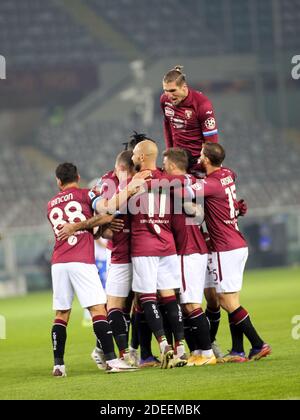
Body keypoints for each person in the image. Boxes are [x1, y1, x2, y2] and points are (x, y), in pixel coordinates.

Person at [47, 162, 137, 375]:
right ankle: (113, 360)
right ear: (77, 176)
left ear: (58, 181)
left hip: (58, 261)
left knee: (61, 313)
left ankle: (58, 365)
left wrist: (95, 233)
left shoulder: (50, 204)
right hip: (81, 260)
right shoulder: (87, 194)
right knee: (98, 310)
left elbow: (79, 227)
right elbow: (105, 213)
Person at [188, 143, 272, 362]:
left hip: (224, 247)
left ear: (206, 159)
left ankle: (258, 343)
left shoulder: (211, 183)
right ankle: (237, 350)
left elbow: (184, 189)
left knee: (226, 301)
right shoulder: (227, 174)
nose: (199, 156)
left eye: (201, 154)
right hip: (237, 244)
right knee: (232, 297)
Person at [130, 140, 187, 368]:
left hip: (144, 244)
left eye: (135, 153)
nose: (132, 157)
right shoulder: (168, 180)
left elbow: (117, 210)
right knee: (170, 297)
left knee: (147, 297)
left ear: (142, 157)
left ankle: (163, 345)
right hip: (167, 244)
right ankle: (180, 347)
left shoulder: (134, 181)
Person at [162, 148, 217, 366]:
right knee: (187, 304)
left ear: (173, 165)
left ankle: (207, 352)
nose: (163, 167)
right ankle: (197, 351)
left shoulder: (176, 184)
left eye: (165, 164)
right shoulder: (191, 182)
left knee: (190, 304)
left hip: (188, 249)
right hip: (193, 248)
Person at [161, 65, 218, 172]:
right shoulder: (164, 100)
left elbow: (211, 141)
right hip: (178, 162)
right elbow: (167, 126)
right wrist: (170, 154)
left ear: (184, 87)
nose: (169, 95)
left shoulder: (202, 104)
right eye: (166, 90)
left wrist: (204, 164)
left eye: (173, 90)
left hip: (198, 162)